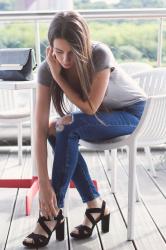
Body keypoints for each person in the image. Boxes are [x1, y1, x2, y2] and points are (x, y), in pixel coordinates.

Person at [22, 10, 147, 248]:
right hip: (104, 114)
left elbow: (89, 108)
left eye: (72, 52)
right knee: (53, 128)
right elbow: (38, 131)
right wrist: (44, 184)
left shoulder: (99, 54)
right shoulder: (48, 69)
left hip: (133, 113)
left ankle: (50, 214)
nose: (65, 60)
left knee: (67, 127)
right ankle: (95, 206)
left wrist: (59, 78)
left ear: (83, 45)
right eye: (58, 52)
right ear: (50, 49)